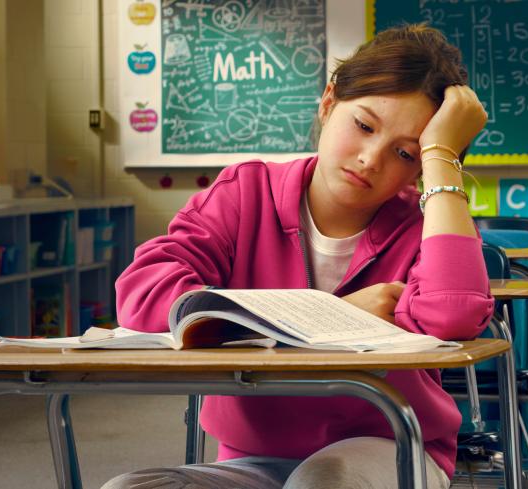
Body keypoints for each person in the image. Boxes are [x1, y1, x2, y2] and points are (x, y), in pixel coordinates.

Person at [105, 24, 493, 489]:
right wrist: (329, 317)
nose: (371, 159)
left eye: (406, 153)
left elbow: (452, 316)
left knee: (322, 482)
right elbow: (144, 294)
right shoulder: (246, 192)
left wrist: (443, 159)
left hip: (389, 449)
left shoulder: (424, 226)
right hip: (254, 458)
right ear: (329, 101)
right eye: (364, 126)